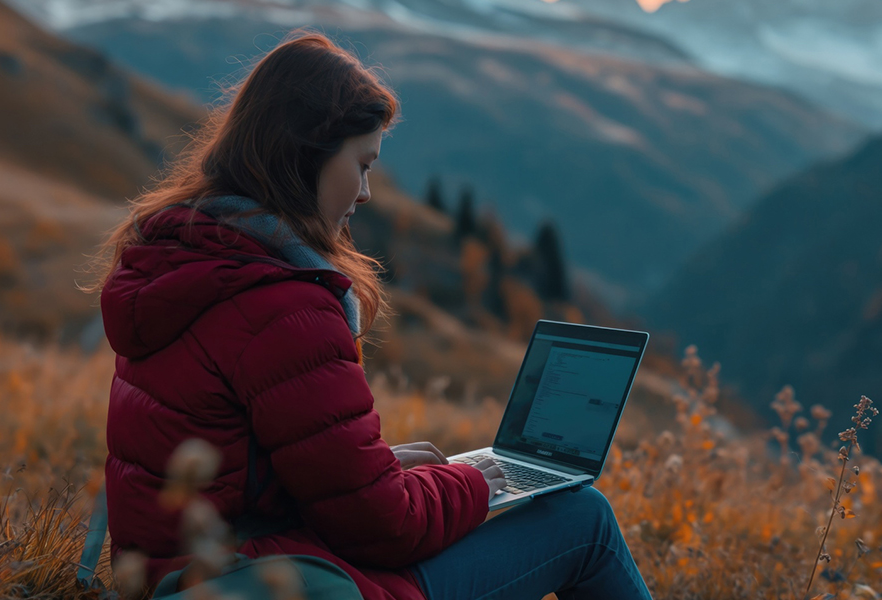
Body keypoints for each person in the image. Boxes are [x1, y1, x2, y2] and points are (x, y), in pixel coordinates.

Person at [87, 29, 653, 600]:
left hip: (186, 574)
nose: (365, 193)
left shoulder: (188, 261)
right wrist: (471, 486)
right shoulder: (280, 305)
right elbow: (386, 530)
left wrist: (379, 472)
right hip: (267, 579)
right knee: (584, 521)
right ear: (307, 153)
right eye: (361, 165)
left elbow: (239, 466)